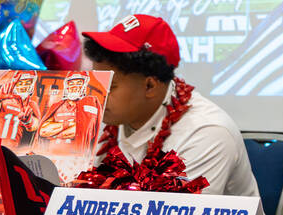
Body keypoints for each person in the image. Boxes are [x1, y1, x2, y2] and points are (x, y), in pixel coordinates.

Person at [82, 14, 259, 197]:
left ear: (150, 86)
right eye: (97, 82)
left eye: (110, 86)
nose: (98, 94)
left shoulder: (206, 132)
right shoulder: (111, 117)